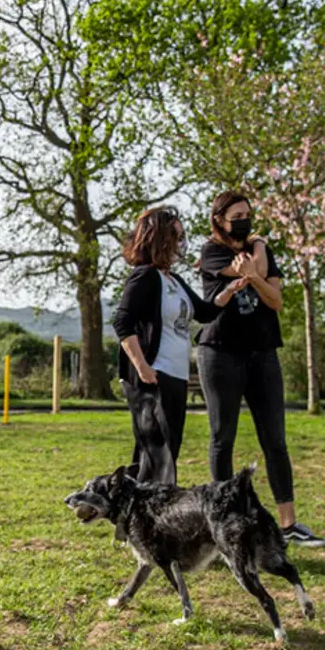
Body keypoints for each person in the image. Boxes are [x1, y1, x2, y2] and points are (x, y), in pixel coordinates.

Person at [195, 191, 325, 547]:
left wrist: (256, 267)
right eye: (237, 214)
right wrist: (258, 257)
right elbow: (256, 272)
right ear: (219, 219)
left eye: (249, 214)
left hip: (263, 353)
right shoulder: (212, 251)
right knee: (222, 437)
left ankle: (289, 525)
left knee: (276, 441)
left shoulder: (260, 250)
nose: (245, 219)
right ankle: (225, 522)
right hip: (220, 353)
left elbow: (276, 299)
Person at [112, 205, 246, 484]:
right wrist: (143, 368)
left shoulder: (173, 279)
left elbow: (205, 312)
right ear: (159, 239)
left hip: (176, 376)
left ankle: (148, 518)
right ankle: (138, 518)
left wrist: (229, 291)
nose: (181, 244)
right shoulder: (145, 276)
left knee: (168, 454)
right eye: (177, 236)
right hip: (153, 377)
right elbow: (122, 322)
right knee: (156, 457)